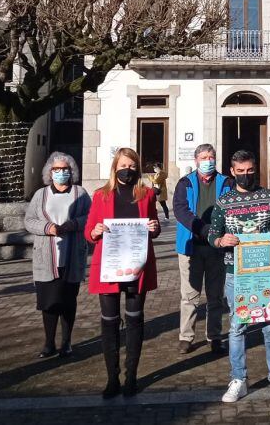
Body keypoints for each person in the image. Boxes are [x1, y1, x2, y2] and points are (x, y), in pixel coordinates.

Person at [209, 150, 270, 404]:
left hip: (268, 272)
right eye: (241, 172)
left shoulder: (269, 197)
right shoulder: (223, 202)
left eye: (250, 170)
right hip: (235, 273)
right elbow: (212, 234)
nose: (246, 175)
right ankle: (238, 379)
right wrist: (220, 240)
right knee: (238, 328)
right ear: (232, 171)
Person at [84, 147, 162, 398]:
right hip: (108, 267)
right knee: (109, 323)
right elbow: (88, 231)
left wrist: (154, 226)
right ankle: (111, 378)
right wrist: (95, 232)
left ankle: (131, 377)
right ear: (115, 167)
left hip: (136, 267)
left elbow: (154, 227)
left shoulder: (147, 194)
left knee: (135, 321)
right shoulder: (101, 195)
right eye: (123, 165)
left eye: (132, 166)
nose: (127, 170)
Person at [23, 152, 91, 359]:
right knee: (49, 302)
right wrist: (47, 227)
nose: (61, 173)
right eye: (57, 170)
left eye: (65, 169)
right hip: (47, 257)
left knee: (68, 301)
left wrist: (75, 224)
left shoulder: (81, 193)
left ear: (72, 171)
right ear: (49, 173)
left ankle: (66, 342)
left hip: (72, 256)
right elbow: (29, 220)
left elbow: (90, 216)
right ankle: (49, 343)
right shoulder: (40, 195)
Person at [173, 143, 233, 354]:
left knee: (215, 295)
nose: (208, 160)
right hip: (191, 246)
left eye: (211, 156)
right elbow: (181, 210)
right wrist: (203, 228)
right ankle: (186, 336)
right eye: (204, 157)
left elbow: (233, 210)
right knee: (190, 296)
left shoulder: (227, 182)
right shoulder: (185, 183)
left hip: (217, 248)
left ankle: (214, 335)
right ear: (196, 160)